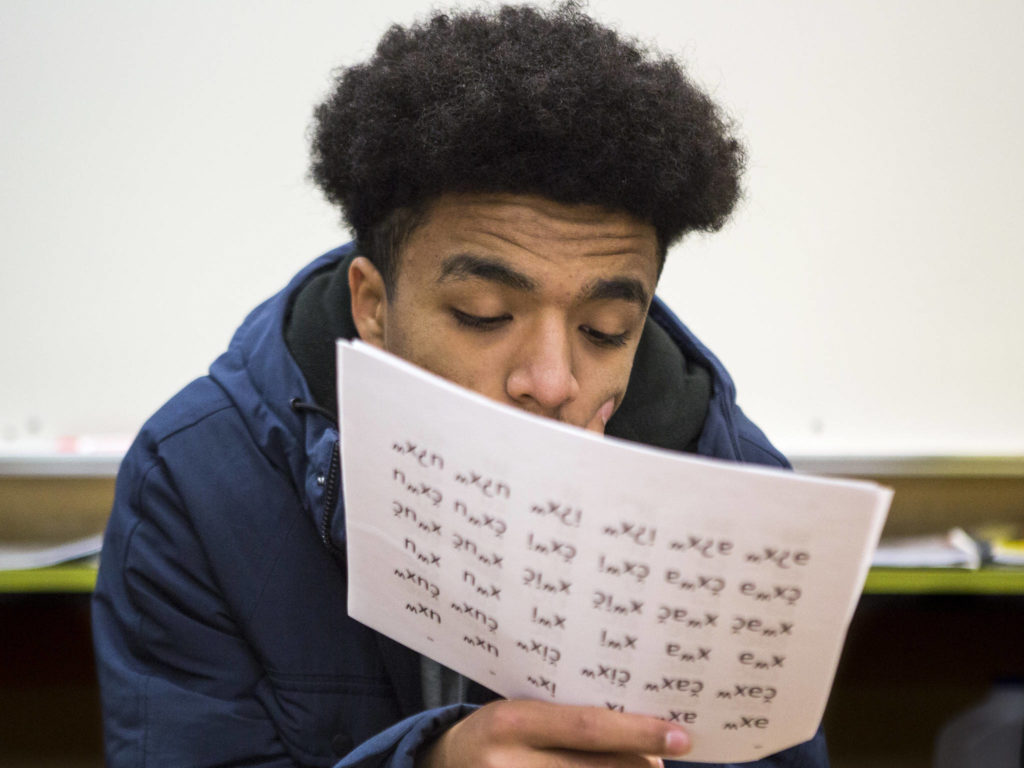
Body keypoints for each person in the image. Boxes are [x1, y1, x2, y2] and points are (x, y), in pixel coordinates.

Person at [91, 4, 830, 767]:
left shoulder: (735, 498)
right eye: (484, 315)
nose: (550, 382)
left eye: (606, 329)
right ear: (373, 307)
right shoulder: (197, 483)